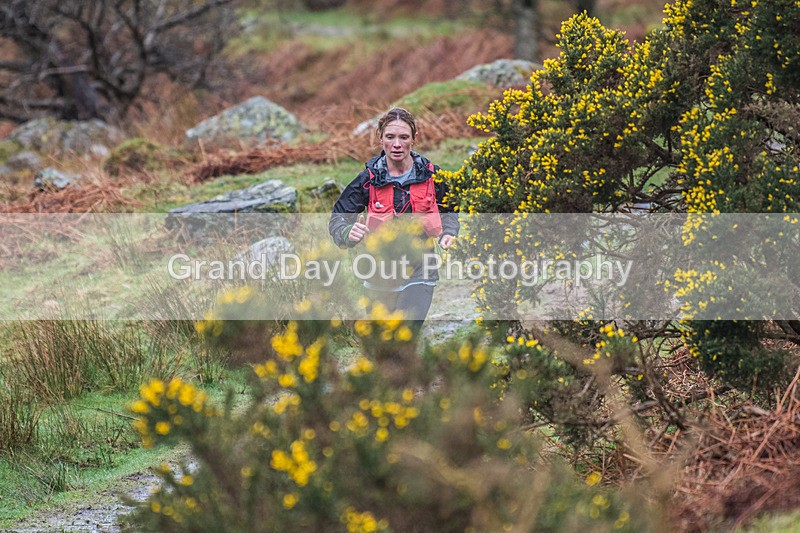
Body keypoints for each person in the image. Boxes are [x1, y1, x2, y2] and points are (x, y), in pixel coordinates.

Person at [329, 107, 459, 331]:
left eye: (403, 137)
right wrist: (346, 232)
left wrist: (449, 232)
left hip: (421, 270)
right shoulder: (367, 180)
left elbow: (450, 209)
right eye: (390, 137)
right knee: (384, 341)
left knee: (404, 334)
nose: (397, 144)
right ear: (380, 138)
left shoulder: (433, 176)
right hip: (379, 274)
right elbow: (337, 218)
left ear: (414, 139)